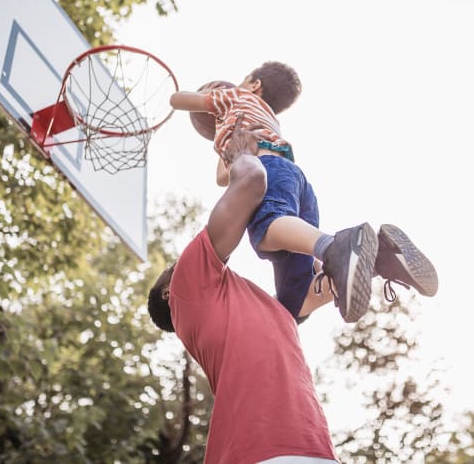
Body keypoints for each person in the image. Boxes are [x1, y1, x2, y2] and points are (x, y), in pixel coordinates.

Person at [169, 62, 438, 324]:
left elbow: (177, 99)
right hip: (293, 180)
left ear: (254, 85)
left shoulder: (233, 96)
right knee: (293, 303)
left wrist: (207, 97)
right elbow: (222, 176)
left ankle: (333, 246)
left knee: (266, 227)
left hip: (268, 170)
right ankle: (383, 259)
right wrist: (222, 132)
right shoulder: (264, 116)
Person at [148, 124, 340, 463]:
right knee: (265, 232)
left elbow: (319, 292)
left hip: (310, 450)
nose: (180, 259)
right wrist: (239, 156)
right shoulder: (184, 289)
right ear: (168, 293)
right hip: (259, 451)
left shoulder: (270, 309)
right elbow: (251, 182)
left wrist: (371, 263)